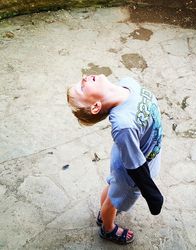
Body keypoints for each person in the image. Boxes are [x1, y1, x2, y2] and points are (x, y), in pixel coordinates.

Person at [67, 74, 163, 245]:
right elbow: (136, 167)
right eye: (81, 88)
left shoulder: (127, 83)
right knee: (114, 200)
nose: (83, 77)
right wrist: (153, 196)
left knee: (113, 190)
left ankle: (103, 215)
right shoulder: (123, 125)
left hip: (128, 154)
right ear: (96, 106)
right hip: (130, 173)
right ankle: (108, 228)